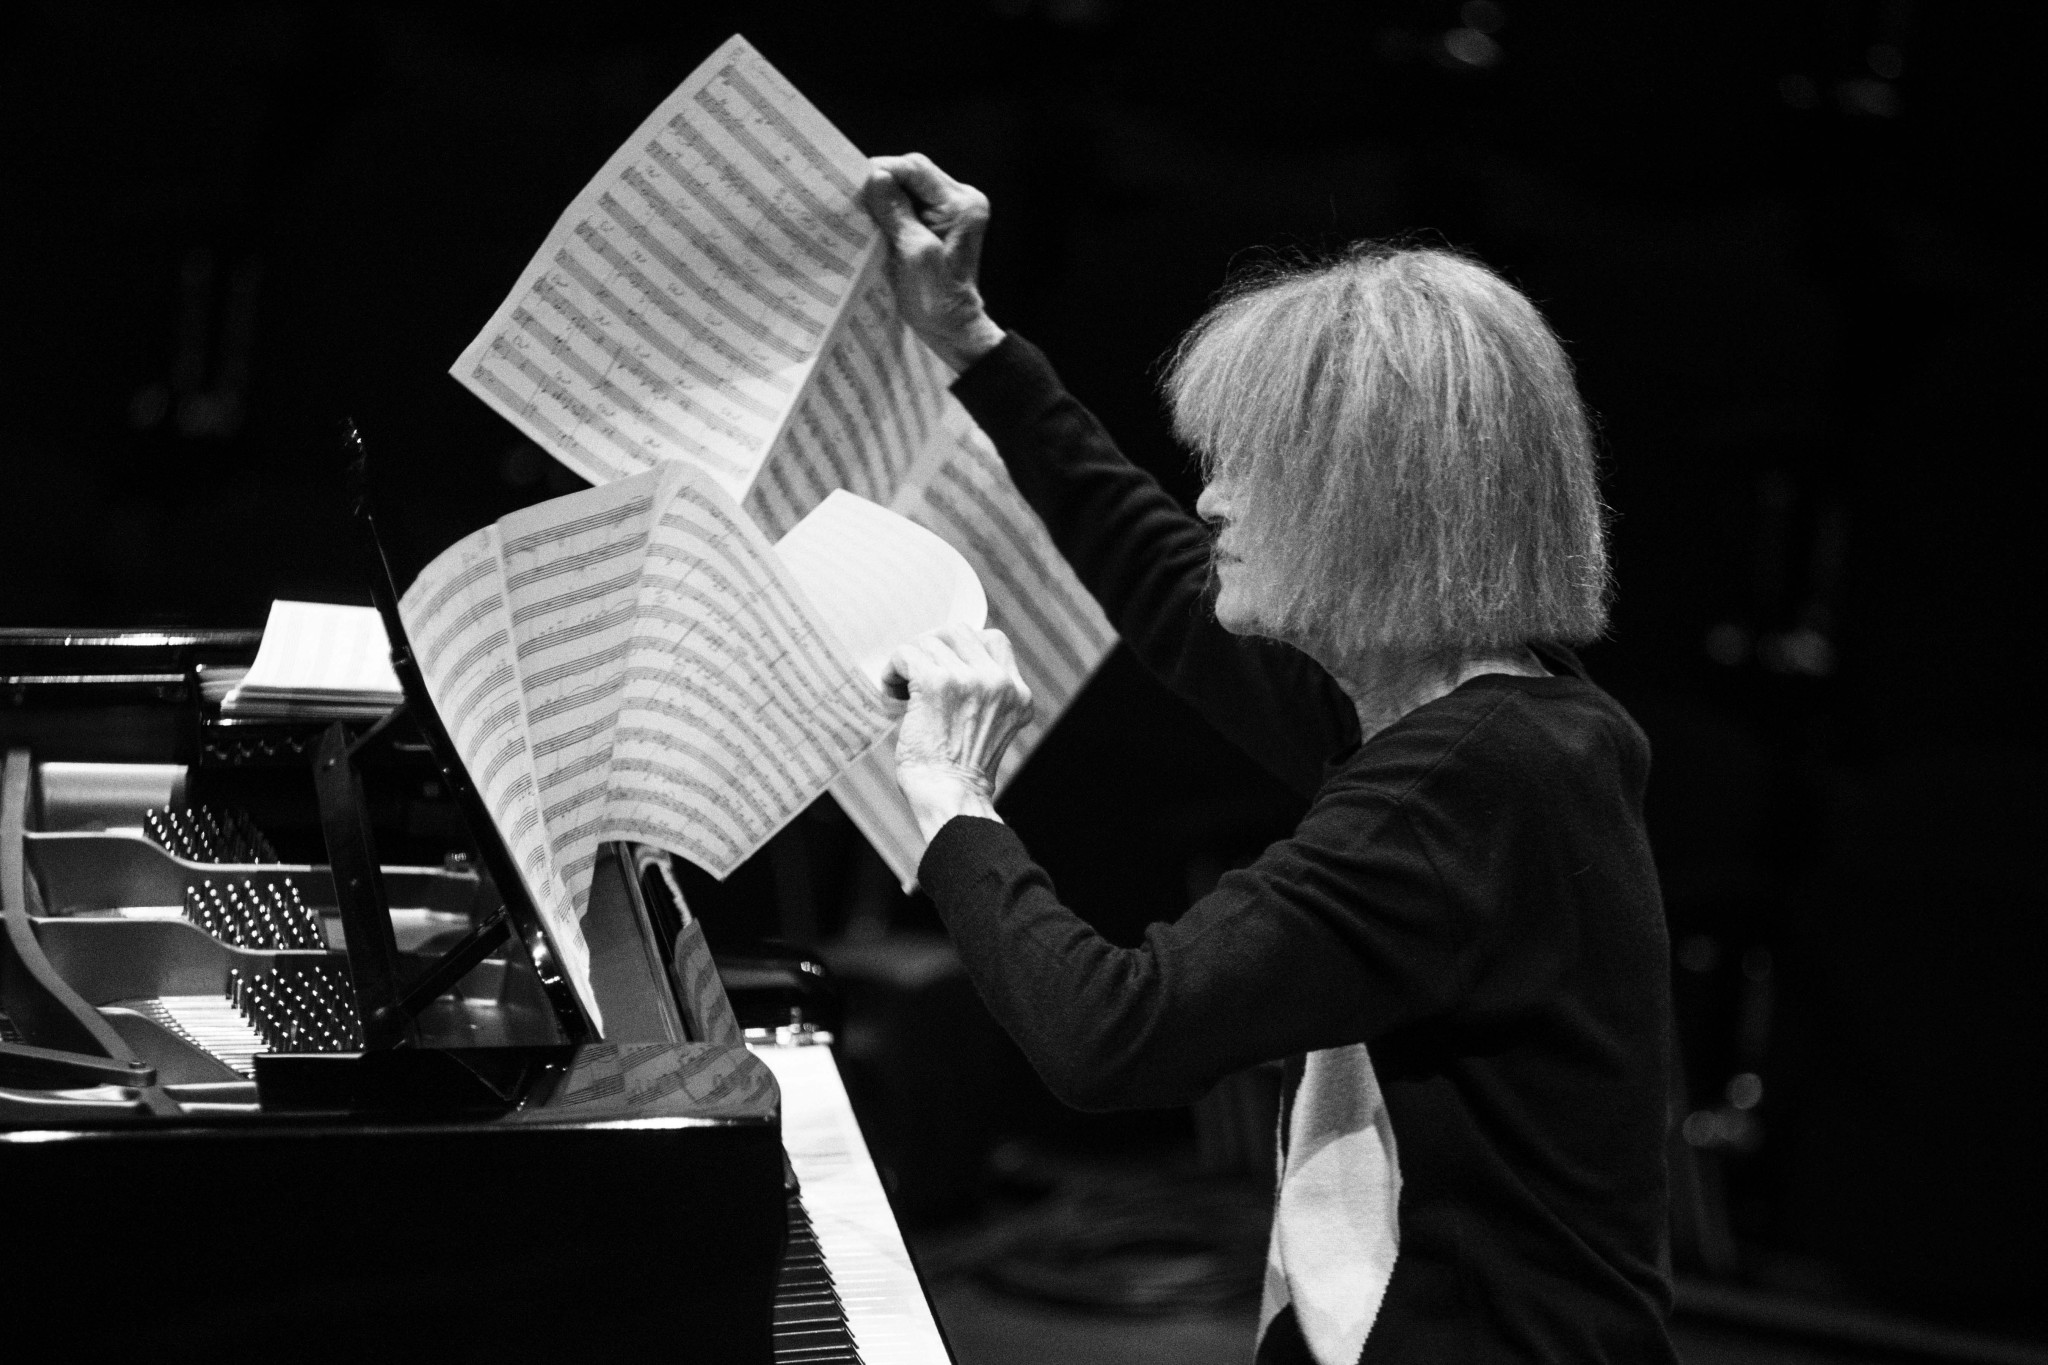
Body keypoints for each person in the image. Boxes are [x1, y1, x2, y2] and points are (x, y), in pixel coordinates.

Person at [865, 152, 1677, 1365]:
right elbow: (1154, 572)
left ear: (1370, 505)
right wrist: (974, 344)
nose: (1209, 503)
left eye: (1248, 471)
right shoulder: (1483, 712)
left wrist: (948, 797)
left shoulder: (1470, 778)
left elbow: (1112, 1036)